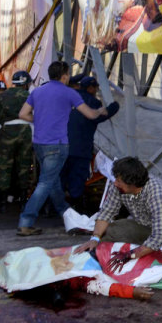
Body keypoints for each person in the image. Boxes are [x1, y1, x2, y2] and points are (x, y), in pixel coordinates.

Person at [74, 157, 162, 299]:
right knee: (109, 230)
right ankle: (98, 261)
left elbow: (157, 238)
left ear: (132, 184)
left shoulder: (157, 192)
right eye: (116, 179)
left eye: (119, 181)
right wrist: (95, 238)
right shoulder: (118, 186)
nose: (115, 183)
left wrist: (130, 255)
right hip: (142, 224)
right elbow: (106, 213)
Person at [16, 61, 108, 236]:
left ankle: (67, 214)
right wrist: (101, 111)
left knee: (53, 182)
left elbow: (22, 114)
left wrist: (39, 121)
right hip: (57, 144)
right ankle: (26, 221)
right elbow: (89, 114)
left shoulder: (37, 91)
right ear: (65, 76)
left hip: (39, 144)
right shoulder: (69, 93)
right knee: (46, 183)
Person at [61, 76, 119, 213]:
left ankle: (54, 208)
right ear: (91, 88)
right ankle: (75, 208)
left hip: (60, 146)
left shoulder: (67, 99)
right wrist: (114, 106)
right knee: (77, 177)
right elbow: (102, 115)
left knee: (60, 177)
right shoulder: (92, 102)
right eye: (96, 88)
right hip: (81, 148)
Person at [0, 70, 33, 213]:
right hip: (26, 132)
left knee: (4, 166)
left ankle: (2, 202)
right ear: (26, 83)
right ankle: (23, 201)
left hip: (8, 132)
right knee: (24, 165)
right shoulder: (30, 95)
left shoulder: (4, 96)